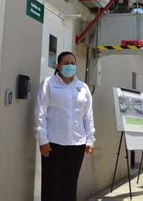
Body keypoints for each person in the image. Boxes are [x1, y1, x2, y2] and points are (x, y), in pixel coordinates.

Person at [34, 51, 95, 201]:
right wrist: (42, 140)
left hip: (77, 143)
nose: (70, 66)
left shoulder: (83, 87)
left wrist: (90, 139)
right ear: (58, 66)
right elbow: (40, 112)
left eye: (73, 63)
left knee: (70, 185)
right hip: (53, 143)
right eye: (66, 63)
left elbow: (88, 116)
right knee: (51, 185)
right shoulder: (48, 83)